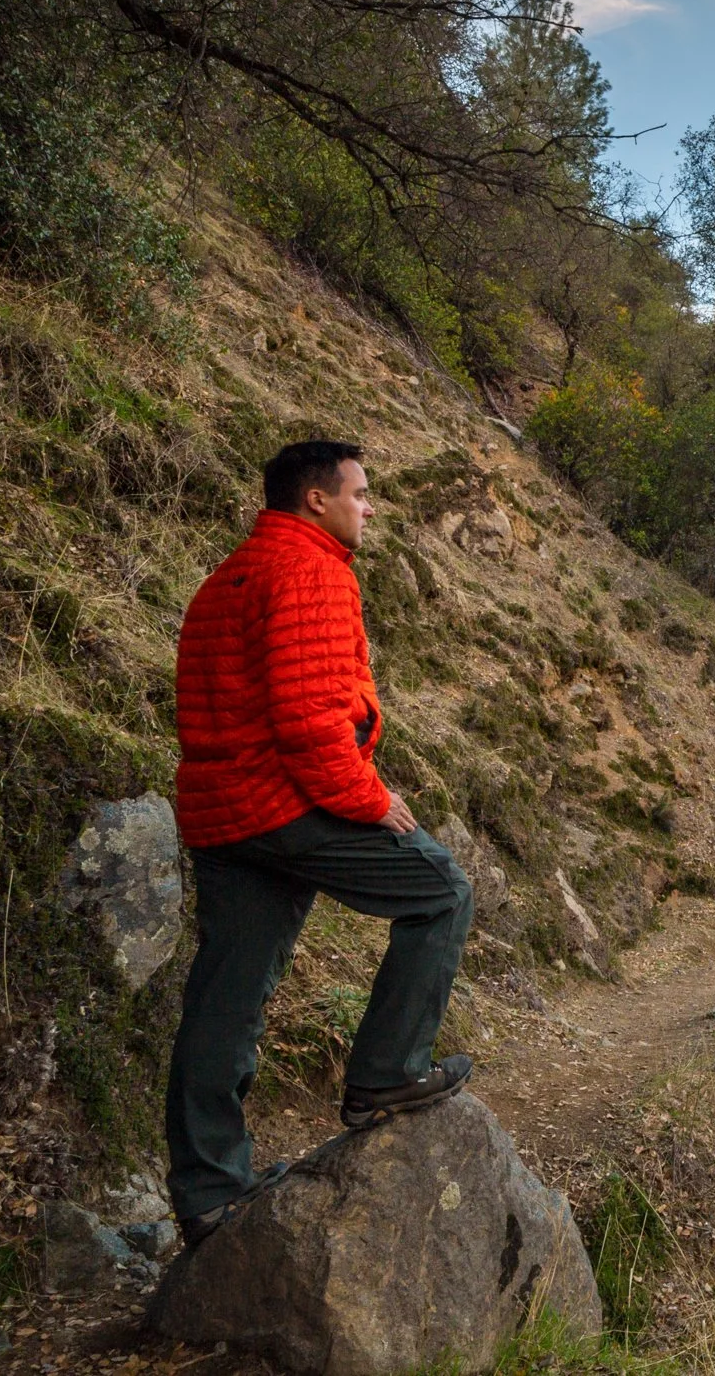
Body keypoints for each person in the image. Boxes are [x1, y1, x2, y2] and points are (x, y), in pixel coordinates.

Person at [166, 440, 475, 1247]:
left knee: (226, 997)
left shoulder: (226, 578)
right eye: (361, 493)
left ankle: (209, 1194)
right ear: (315, 499)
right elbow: (307, 721)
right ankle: (386, 1076)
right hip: (282, 802)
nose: (368, 507)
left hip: (222, 814)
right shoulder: (311, 569)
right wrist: (371, 801)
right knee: (441, 890)